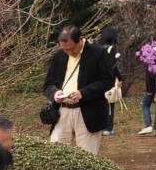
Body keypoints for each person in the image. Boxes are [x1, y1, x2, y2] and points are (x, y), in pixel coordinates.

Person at [42, 24, 116, 155]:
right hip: (62, 111)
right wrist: (55, 93)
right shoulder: (60, 55)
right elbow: (48, 83)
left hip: (88, 111)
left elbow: (108, 81)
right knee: (56, 155)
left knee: (87, 156)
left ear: (80, 40)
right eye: (65, 49)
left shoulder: (98, 53)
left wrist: (83, 93)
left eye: (71, 49)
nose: (69, 52)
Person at [96, 27, 122, 136]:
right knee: (109, 104)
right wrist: (120, 78)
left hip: (96, 80)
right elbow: (113, 66)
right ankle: (108, 127)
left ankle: (100, 126)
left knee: (100, 104)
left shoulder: (96, 47)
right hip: (108, 80)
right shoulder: (111, 49)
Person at [138, 68, 156, 135]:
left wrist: (150, 91)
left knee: (145, 105)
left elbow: (149, 77)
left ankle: (148, 126)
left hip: (153, 89)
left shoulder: (150, 61)